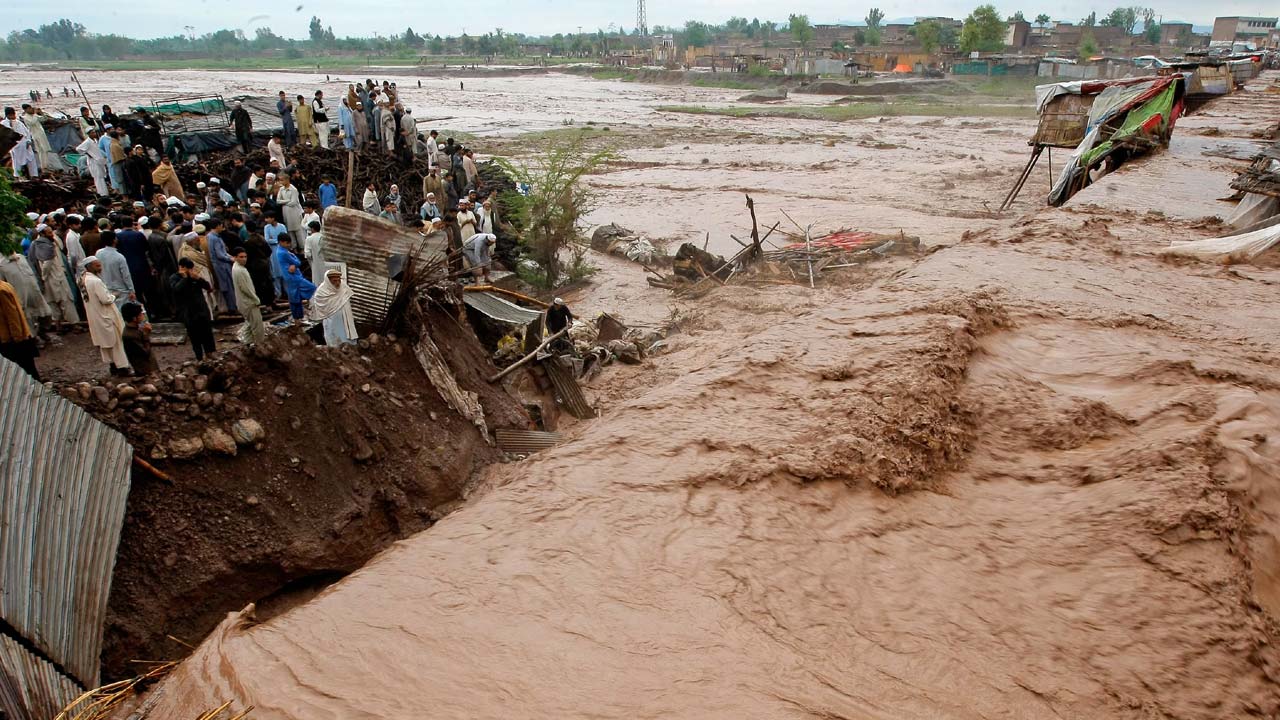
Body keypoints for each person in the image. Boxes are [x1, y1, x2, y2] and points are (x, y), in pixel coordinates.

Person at [80, 257, 130, 374]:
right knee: (116, 342)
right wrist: (114, 296)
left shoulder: (83, 279)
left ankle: (113, 366)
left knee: (107, 344)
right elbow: (105, 299)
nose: (100, 268)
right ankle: (122, 368)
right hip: (105, 315)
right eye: (97, 266)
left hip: (96, 316)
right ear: (89, 267)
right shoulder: (95, 281)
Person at [28, 224, 78, 334]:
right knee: (66, 301)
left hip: (47, 280)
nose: (52, 234)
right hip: (54, 278)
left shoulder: (38, 244)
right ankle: (74, 325)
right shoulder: (45, 245)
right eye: (49, 232)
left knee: (53, 303)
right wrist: (44, 277)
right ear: (42, 234)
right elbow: (47, 263)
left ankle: (59, 326)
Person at [170, 257, 216, 360]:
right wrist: (185, 278)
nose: (190, 271)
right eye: (188, 268)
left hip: (201, 309)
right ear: (181, 267)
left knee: (207, 333)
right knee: (195, 336)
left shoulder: (194, 277)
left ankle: (210, 352)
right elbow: (176, 290)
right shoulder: (174, 278)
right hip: (188, 312)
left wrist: (198, 278)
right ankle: (199, 357)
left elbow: (208, 287)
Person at [0, 279, 40, 380]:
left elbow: (12, 315)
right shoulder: (5, 285)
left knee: (25, 371)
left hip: (12, 339)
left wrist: (16, 337)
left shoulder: (1, 290)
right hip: (18, 336)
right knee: (28, 369)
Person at [307, 267, 356, 346]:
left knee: (346, 339)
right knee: (334, 338)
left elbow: (347, 302)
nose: (337, 283)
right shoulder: (321, 292)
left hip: (345, 319)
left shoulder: (343, 288)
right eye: (334, 281)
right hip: (331, 321)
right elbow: (321, 308)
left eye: (338, 280)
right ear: (328, 281)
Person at [114, 218, 153, 315]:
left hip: (127, 267)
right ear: (132, 224)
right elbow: (146, 249)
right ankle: (152, 311)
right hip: (142, 265)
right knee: (148, 290)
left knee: (136, 292)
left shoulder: (118, 236)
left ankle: (140, 312)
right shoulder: (139, 235)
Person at [275, 235, 315, 320]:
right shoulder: (284, 253)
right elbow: (297, 262)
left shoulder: (281, 250)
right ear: (281, 242)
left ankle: (298, 320)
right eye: (287, 243)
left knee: (295, 298)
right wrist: (294, 263)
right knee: (312, 288)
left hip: (290, 277)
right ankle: (310, 307)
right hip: (293, 277)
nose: (289, 245)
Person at [231, 247, 264, 344]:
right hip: (248, 302)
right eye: (241, 257)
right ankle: (259, 345)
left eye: (245, 257)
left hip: (244, 302)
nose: (244, 259)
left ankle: (247, 344)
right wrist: (256, 299)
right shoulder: (239, 270)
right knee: (257, 327)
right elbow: (245, 289)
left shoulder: (238, 267)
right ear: (235, 257)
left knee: (250, 324)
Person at [95, 231, 135, 310]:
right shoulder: (119, 257)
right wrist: (131, 290)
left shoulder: (98, 253)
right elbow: (126, 275)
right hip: (121, 290)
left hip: (106, 287)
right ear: (114, 240)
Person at [205, 219, 236, 312]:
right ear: (217, 226)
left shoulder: (210, 236)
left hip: (218, 264)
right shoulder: (214, 238)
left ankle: (232, 306)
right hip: (222, 265)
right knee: (228, 287)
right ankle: (232, 307)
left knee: (227, 286)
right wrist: (231, 259)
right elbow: (220, 254)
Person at [120, 302, 156, 376]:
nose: (143, 315)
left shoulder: (135, 328)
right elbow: (146, 353)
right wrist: (146, 335)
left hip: (148, 367)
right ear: (134, 318)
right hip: (145, 371)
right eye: (141, 314)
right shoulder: (130, 335)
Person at [3, 106, 39, 178]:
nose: (14, 116)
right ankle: (18, 177)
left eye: (14, 114)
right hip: (16, 147)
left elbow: (27, 132)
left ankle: (34, 175)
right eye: (12, 115)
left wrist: (28, 141)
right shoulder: (4, 124)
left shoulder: (19, 122)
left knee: (31, 160)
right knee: (17, 163)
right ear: (7, 115)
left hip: (26, 146)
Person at [243, 233, 275, 308]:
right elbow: (269, 251)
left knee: (259, 286)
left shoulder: (248, 243)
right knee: (268, 283)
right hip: (264, 264)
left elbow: (248, 257)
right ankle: (270, 302)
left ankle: (263, 304)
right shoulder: (262, 239)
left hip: (254, 266)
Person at [20, 105, 56, 172]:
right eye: (29, 109)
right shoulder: (25, 117)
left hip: (41, 135)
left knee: (45, 150)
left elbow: (44, 119)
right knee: (41, 151)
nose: (31, 109)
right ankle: (44, 167)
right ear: (25, 110)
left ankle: (46, 165)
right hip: (36, 136)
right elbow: (32, 122)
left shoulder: (34, 116)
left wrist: (41, 113)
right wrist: (35, 114)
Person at [262, 213, 288, 299]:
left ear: (273, 218)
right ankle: (278, 294)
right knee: (275, 272)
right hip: (272, 251)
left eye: (268, 218)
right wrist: (278, 240)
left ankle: (287, 293)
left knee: (284, 270)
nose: (266, 220)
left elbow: (285, 238)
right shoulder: (267, 228)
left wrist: (274, 240)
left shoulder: (282, 226)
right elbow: (267, 240)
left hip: (283, 249)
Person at [275, 173, 304, 246]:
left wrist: (284, 202)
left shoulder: (293, 189)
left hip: (294, 212)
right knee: (289, 231)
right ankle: (293, 246)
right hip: (285, 212)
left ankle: (302, 247)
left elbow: (293, 203)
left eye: (282, 180)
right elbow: (278, 201)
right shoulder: (281, 189)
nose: (281, 182)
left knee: (298, 230)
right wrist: (287, 200)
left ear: (287, 180)